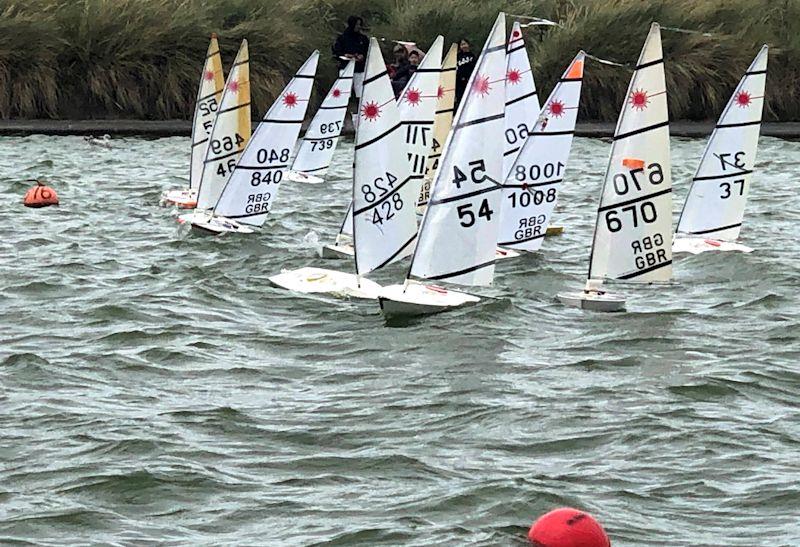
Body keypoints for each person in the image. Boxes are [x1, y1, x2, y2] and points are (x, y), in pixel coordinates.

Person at [332, 16, 369, 98]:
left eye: (360, 24)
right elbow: (336, 52)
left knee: (361, 92)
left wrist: (362, 56)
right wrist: (346, 55)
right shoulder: (342, 38)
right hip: (346, 68)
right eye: (357, 25)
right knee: (344, 92)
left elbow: (367, 51)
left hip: (359, 69)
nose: (359, 27)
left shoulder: (363, 38)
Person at [455, 38, 477, 109]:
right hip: (460, 84)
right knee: (461, 100)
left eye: (465, 44)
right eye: (462, 45)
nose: (464, 46)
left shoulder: (472, 56)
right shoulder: (457, 57)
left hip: (470, 81)